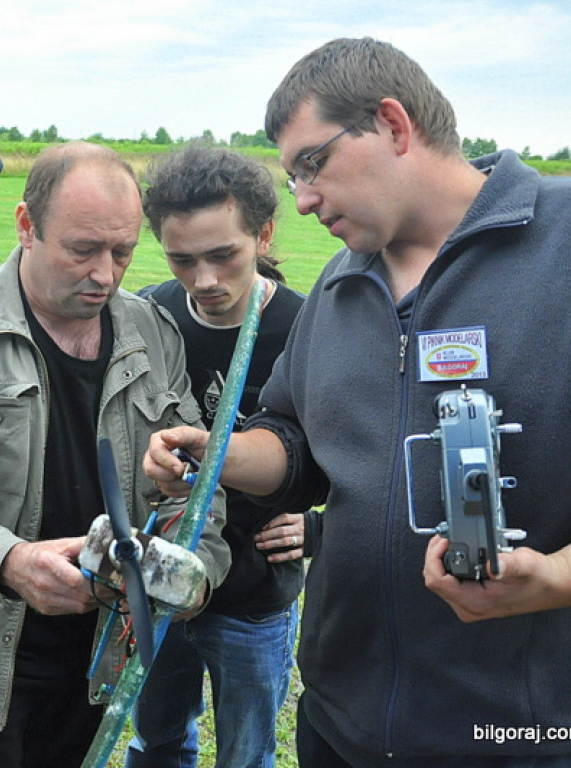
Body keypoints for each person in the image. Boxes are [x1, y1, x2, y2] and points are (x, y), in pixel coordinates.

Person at [145, 36, 571, 768]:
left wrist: (558, 581)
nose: (303, 200)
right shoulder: (343, 283)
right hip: (341, 728)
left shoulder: (560, 246)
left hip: (522, 739)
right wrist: (213, 453)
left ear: (394, 126)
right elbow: (296, 441)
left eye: (314, 164)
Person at [0, 141, 231, 768]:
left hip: (102, 654)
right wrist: (12, 561)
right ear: (26, 227)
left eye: (122, 252)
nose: (106, 273)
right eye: (83, 250)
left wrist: (194, 567)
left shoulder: (154, 331)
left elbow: (204, 485)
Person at [126, 144, 306, 768]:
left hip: (255, 597)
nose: (204, 280)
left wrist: (317, 527)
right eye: (182, 259)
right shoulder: (149, 313)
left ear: (263, 233)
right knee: (156, 739)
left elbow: (353, 449)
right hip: (160, 581)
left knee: (246, 753)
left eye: (224, 255)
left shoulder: (304, 327)